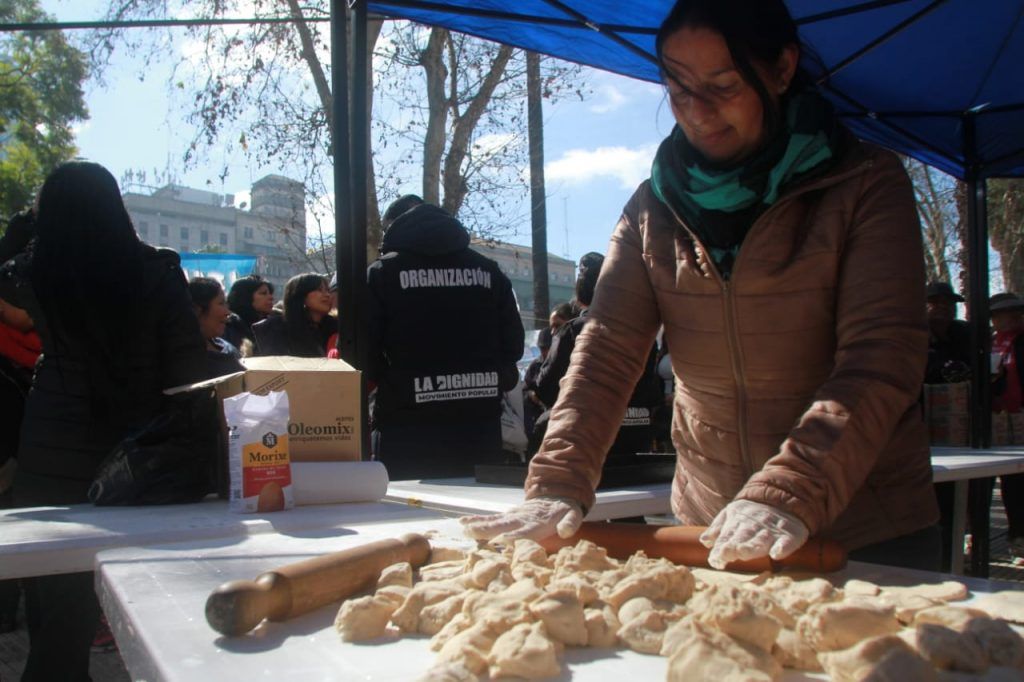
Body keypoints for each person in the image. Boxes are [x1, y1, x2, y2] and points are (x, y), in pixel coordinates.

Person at [462, 0, 940, 572]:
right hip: (712, 522)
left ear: (782, 70)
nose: (698, 112)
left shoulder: (862, 183)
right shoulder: (652, 207)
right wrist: (558, 480)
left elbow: (881, 355)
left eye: (723, 85)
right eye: (679, 88)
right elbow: (607, 349)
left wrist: (786, 490)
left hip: (864, 523)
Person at [0, 161, 206, 681]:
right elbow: (187, 368)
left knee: (54, 594)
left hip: (47, 443)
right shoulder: (156, 269)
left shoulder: (35, 272)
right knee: (84, 604)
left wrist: (21, 227)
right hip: (128, 450)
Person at [367, 194, 524, 480]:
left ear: (394, 226)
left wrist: (398, 382)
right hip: (479, 424)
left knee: (408, 518)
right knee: (478, 516)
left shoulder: (381, 274)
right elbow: (513, 344)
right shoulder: (489, 271)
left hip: (407, 425)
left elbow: (362, 353)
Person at [530, 252, 661, 458]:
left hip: (586, 437)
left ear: (580, 291)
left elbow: (546, 385)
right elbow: (651, 387)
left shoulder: (573, 331)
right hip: (637, 432)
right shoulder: (643, 331)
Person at [989, 292, 1024, 556]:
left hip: (1021, 417)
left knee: (1018, 478)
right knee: (987, 477)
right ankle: (976, 534)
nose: (1011, 317)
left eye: (1015, 312)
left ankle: (1018, 535)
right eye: (1003, 313)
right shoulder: (987, 344)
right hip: (993, 418)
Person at [251, 273, 335, 357]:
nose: (327, 295)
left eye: (328, 290)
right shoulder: (275, 328)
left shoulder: (336, 327)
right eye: (319, 290)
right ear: (301, 295)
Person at [188, 276, 245, 378]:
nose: (227, 312)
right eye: (220, 303)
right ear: (197, 309)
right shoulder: (186, 361)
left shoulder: (226, 347)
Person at [925, 280, 971, 384]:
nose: (943, 306)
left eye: (949, 302)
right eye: (935, 302)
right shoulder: (913, 337)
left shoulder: (967, 333)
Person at [223, 274, 275, 350]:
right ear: (245, 297)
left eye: (270, 293)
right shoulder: (229, 327)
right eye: (263, 293)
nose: (271, 297)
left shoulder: (272, 323)